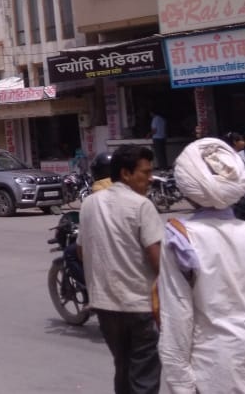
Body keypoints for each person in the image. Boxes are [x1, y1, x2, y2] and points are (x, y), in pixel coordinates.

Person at [158, 137, 245, 393]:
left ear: (188, 189)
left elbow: (176, 318)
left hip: (213, 372)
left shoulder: (182, 239)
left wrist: (180, 384)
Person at [77, 144, 162, 394]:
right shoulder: (141, 205)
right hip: (139, 305)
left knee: (123, 368)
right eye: (145, 172)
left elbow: (82, 252)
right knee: (144, 376)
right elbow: (158, 260)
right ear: (126, 173)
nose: (150, 178)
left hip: (105, 306)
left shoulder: (89, 204)